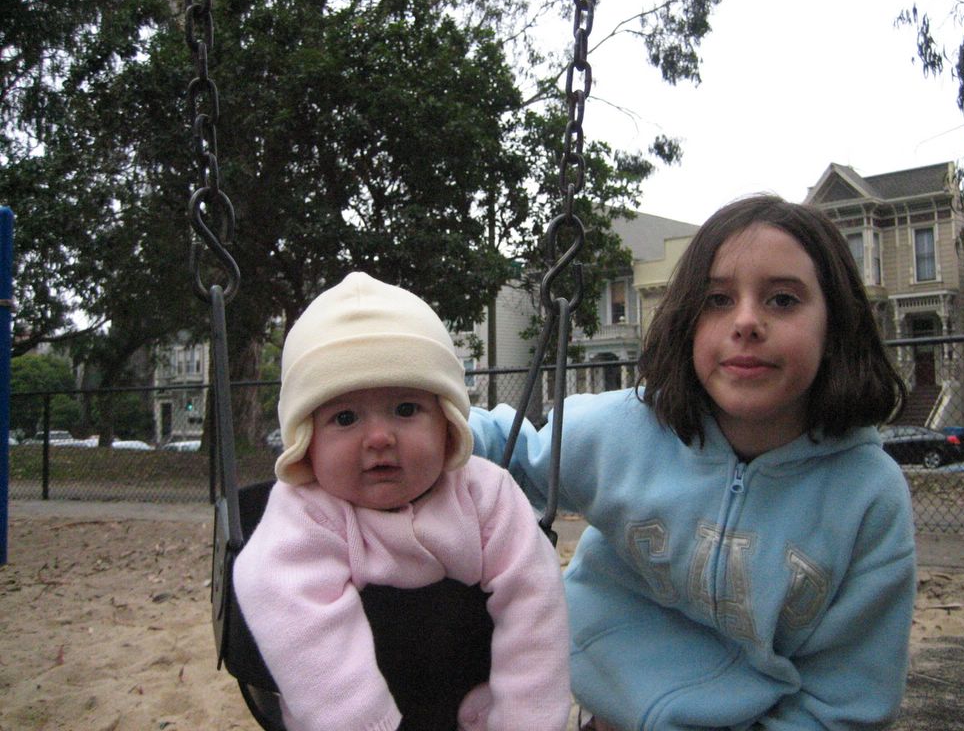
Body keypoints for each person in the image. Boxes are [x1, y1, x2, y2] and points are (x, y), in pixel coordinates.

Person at [470, 195, 917, 730]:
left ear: (835, 325)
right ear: (688, 321)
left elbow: (846, 700)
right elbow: (513, 453)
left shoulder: (867, 495)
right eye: (718, 300)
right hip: (602, 710)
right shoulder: (628, 430)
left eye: (782, 300)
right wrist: (417, 418)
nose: (746, 322)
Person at [234, 272, 571, 731]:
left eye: (406, 409)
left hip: (475, 707)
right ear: (307, 441)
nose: (379, 437)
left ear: (447, 423)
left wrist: (524, 720)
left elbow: (533, 602)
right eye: (345, 417)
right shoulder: (305, 511)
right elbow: (290, 607)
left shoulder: (485, 494)